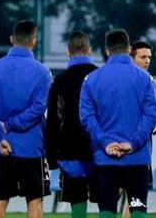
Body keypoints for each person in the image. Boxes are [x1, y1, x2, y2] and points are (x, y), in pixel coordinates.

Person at [80, 30, 156, 218]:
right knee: (138, 210)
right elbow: (151, 116)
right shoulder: (145, 79)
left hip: (105, 157)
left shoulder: (92, 79)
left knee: (107, 210)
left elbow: (87, 117)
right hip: (137, 158)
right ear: (129, 49)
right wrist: (133, 144)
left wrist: (105, 142)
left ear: (107, 51)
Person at [0, 20, 52, 218]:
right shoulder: (42, 72)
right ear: (34, 42)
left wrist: (1, 134)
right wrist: (12, 125)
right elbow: (38, 109)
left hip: (1, 148)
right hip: (31, 147)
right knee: (35, 200)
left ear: (12, 39)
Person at [46, 31, 99, 218]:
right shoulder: (99, 76)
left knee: (77, 201)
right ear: (90, 51)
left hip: (70, 152)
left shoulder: (60, 82)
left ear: (68, 52)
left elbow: (54, 121)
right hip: (99, 150)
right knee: (105, 201)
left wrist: (51, 156)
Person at [122, 40, 156, 218]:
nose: (147, 61)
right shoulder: (123, 82)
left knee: (131, 201)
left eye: (149, 57)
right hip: (122, 149)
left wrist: (153, 126)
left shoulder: (151, 84)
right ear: (132, 57)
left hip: (139, 151)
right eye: (143, 57)